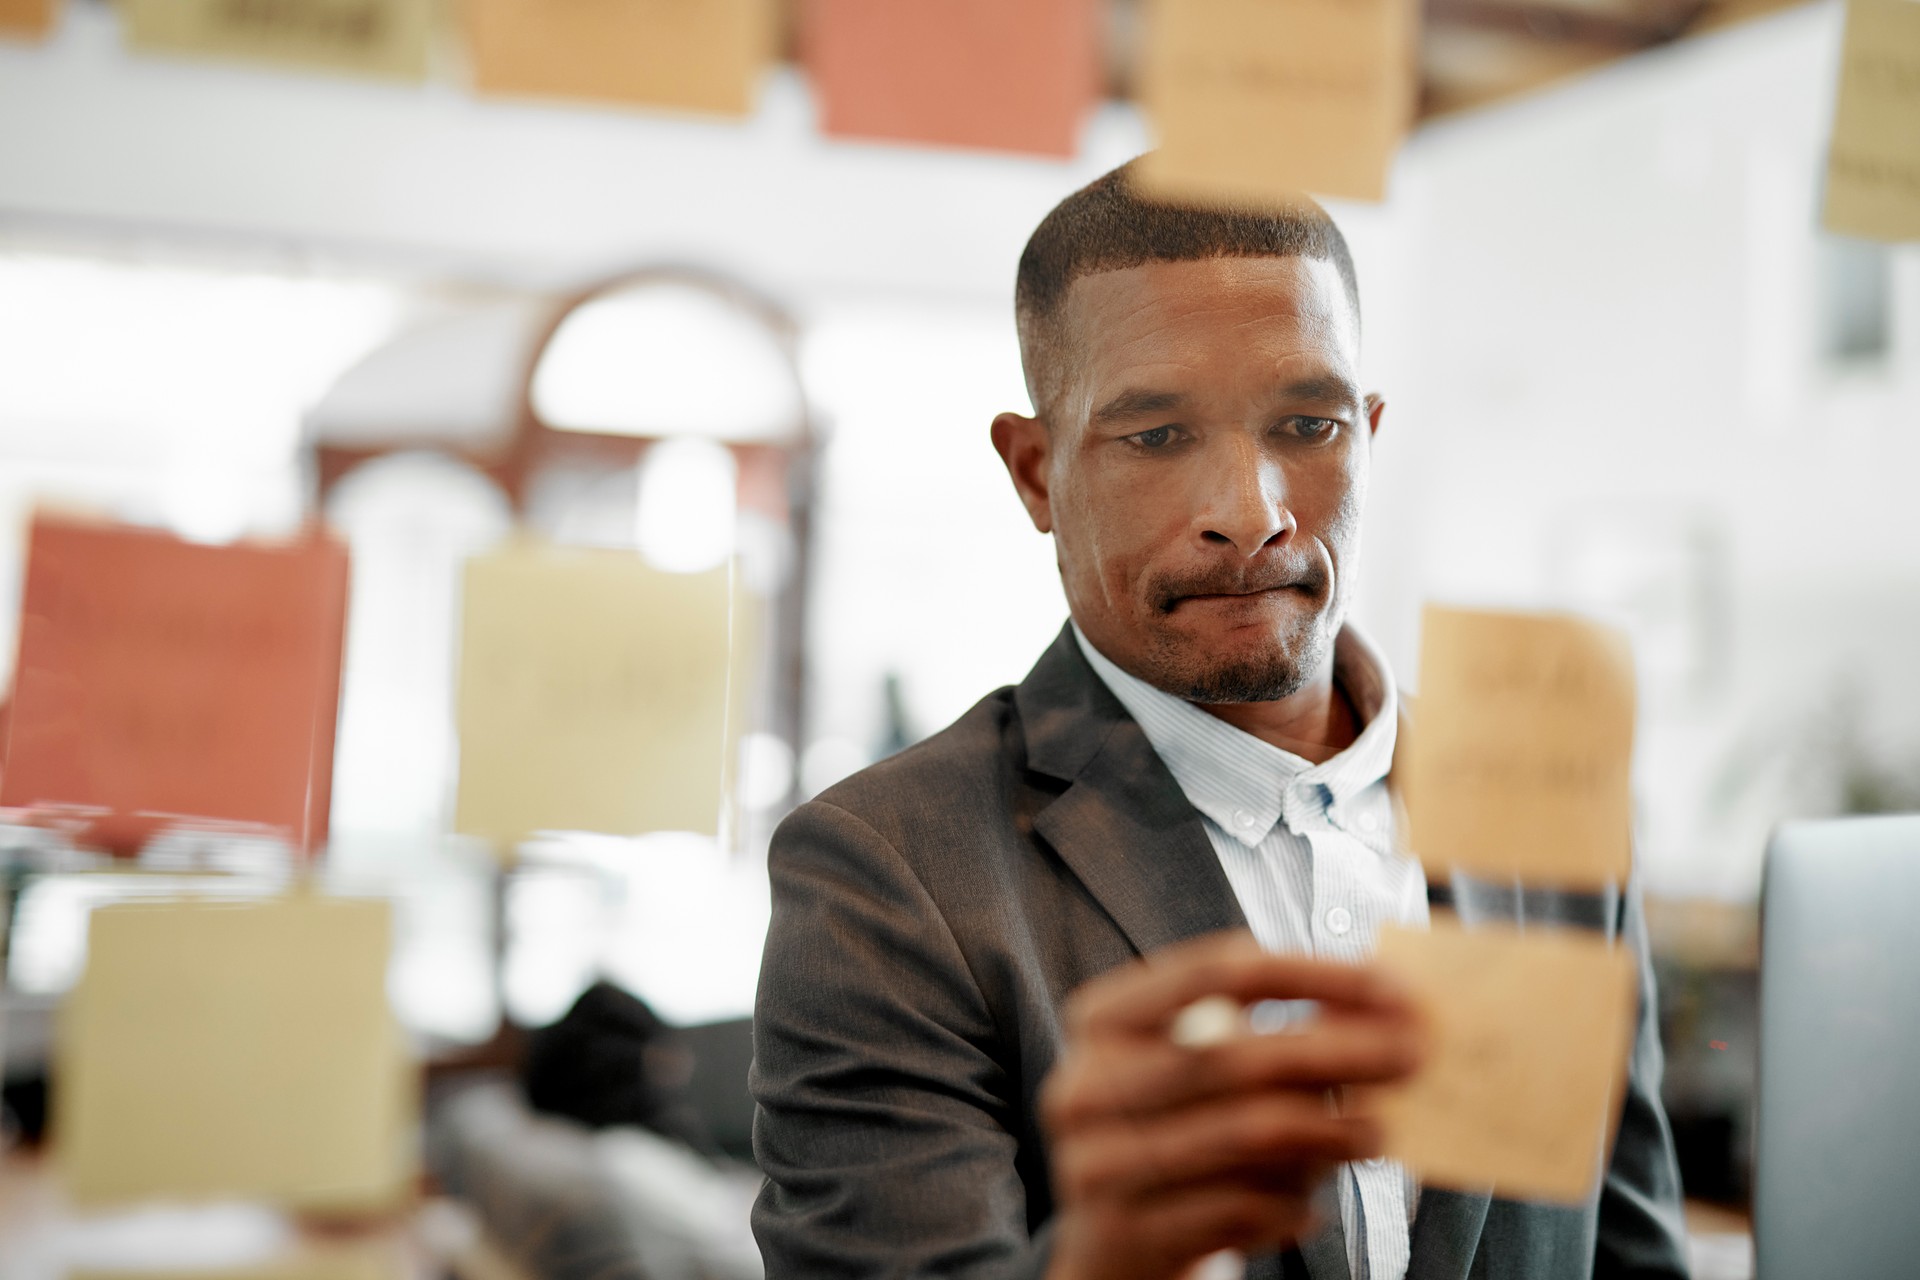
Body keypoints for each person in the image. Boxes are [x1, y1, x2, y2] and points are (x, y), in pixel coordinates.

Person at [750, 162, 1689, 1280]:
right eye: (1155, 435)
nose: (1252, 514)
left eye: (1308, 422)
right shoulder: (888, 872)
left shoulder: (1544, 818)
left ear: (1370, 435)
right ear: (1036, 471)